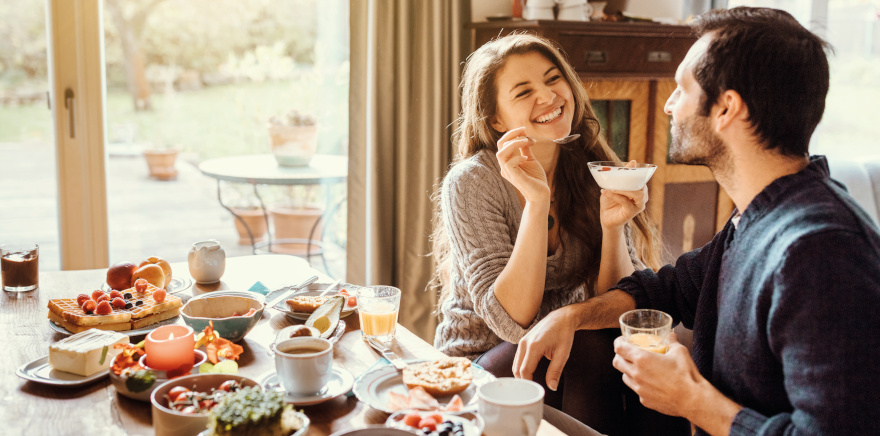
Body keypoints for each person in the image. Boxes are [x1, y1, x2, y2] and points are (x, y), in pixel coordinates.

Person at [513, 7, 880, 436]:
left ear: (726, 108)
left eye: (682, 89)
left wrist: (693, 402)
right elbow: (668, 288)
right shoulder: (757, 217)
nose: (669, 106)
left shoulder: (820, 252)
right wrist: (571, 316)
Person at [430, 34, 688, 435]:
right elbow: (513, 321)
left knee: (640, 357)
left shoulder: (591, 168)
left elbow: (620, 304)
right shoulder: (472, 182)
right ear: (496, 119)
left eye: (553, 80)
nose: (548, 96)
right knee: (586, 348)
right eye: (524, 91)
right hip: (480, 361)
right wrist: (536, 203)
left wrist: (613, 227)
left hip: (572, 345)